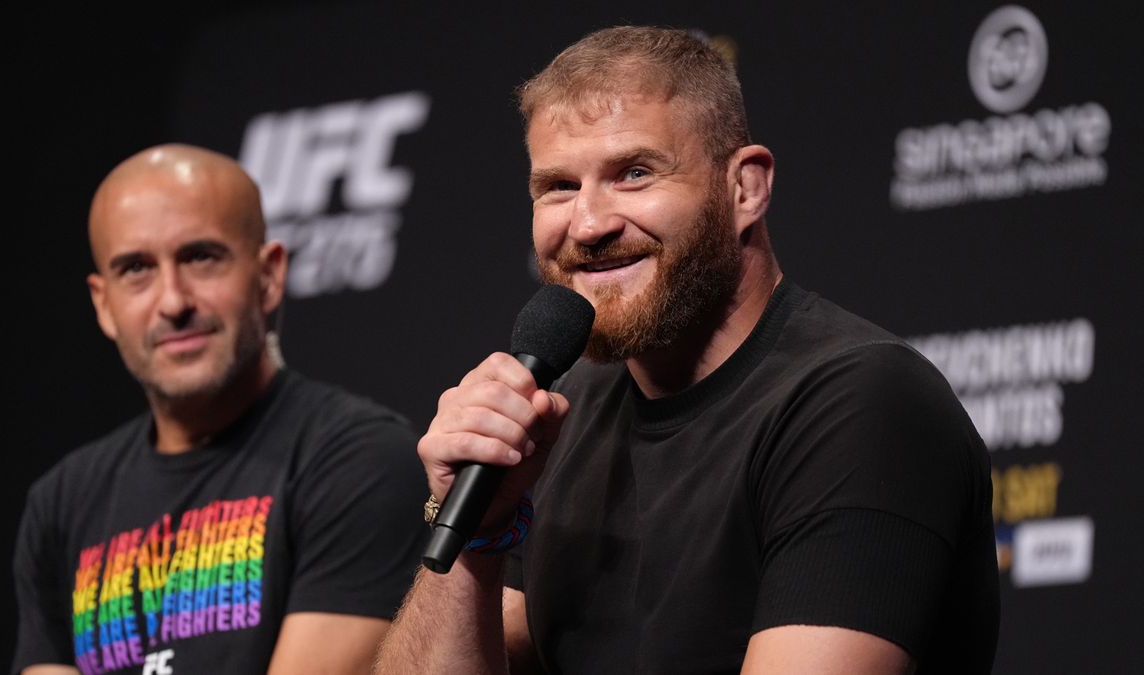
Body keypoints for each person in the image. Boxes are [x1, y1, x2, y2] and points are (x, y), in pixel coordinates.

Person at [375, 25, 999, 675]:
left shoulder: (861, 404)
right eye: (558, 186)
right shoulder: (561, 410)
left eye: (635, 173)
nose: (588, 224)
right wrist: (479, 533)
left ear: (746, 189)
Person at [11, 143, 428, 675]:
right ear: (103, 303)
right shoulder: (59, 504)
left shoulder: (363, 463)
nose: (173, 301)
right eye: (136, 269)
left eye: (200, 257)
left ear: (269, 275)